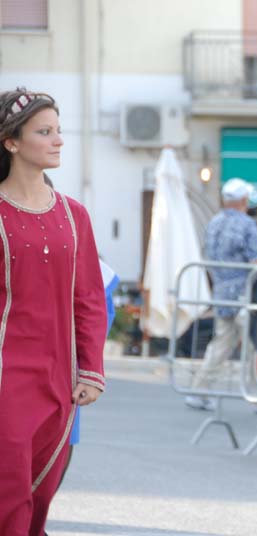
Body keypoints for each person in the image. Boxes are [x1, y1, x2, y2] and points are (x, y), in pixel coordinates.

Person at [0, 88, 107, 536]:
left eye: (59, 131)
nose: (58, 140)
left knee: (41, 495)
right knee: (9, 495)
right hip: (6, 380)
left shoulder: (73, 215)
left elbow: (89, 298)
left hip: (59, 381)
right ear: (12, 142)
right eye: (44, 132)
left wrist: (91, 369)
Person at [186, 177, 257, 411]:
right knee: (252, 346)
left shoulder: (214, 222)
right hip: (245, 293)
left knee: (221, 343)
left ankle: (198, 389)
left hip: (221, 291)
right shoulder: (247, 225)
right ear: (244, 200)